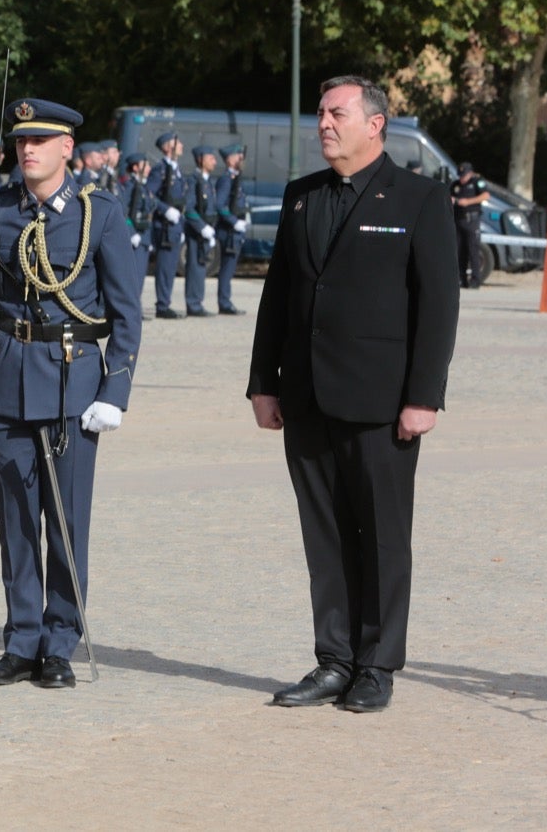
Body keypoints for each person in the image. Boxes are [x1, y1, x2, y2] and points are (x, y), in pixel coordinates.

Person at [248, 75, 459, 714]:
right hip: (307, 396)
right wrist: (263, 383)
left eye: (336, 113)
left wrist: (423, 396)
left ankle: (377, 664)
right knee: (326, 536)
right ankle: (333, 659)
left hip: (382, 403)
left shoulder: (419, 198)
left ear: (376, 124)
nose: (323, 123)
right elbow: (278, 297)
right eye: (319, 114)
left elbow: (438, 306)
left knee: (382, 537)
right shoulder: (301, 197)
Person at [0, 97, 143, 688]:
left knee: (64, 522)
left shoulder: (99, 214)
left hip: (71, 383)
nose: (27, 150)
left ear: (67, 148)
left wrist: (116, 389)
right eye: (20, 141)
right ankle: (22, 639)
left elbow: (127, 312)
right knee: (15, 522)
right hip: (6, 380)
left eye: (40, 141)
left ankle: (60, 639)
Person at [147, 132, 186, 318]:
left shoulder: (176, 169)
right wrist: (164, 210)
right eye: (177, 143)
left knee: (170, 268)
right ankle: (162, 305)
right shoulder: (160, 170)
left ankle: (165, 302)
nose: (181, 146)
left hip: (175, 226)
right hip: (164, 227)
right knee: (165, 267)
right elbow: (149, 195)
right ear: (167, 147)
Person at [181, 145, 219, 317]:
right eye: (211, 158)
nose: (214, 162)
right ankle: (193, 303)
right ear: (201, 159)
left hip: (206, 228)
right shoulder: (194, 180)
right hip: (197, 231)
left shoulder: (207, 180)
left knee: (201, 266)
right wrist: (202, 227)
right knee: (195, 267)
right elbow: (188, 208)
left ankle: (197, 301)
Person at [213, 143, 249, 314]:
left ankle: (225, 300)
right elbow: (219, 204)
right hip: (228, 231)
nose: (241, 158)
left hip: (234, 231)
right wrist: (233, 221)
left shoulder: (235, 178)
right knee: (227, 268)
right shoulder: (226, 179)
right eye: (238, 155)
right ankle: (224, 302)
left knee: (230, 268)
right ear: (229, 159)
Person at [450, 161, 490, 288]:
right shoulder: (455, 185)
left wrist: (468, 201)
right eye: (460, 176)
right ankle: (461, 279)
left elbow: (485, 195)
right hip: (458, 220)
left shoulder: (477, 182)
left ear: (470, 173)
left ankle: (475, 280)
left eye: (464, 176)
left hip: (471, 220)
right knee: (459, 251)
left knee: (473, 250)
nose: (462, 179)